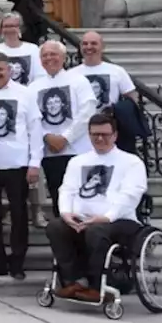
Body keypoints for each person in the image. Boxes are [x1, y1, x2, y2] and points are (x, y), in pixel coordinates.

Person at [45, 112, 148, 302]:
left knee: (96, 231)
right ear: (89, 135)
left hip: (119, 220)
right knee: (55, 227)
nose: (99, 138)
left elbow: (130, 195)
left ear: (115, 135)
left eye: (105, 134)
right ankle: (74, 281)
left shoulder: (131, 162)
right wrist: (66, 214)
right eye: (95, 134)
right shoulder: (77, 162)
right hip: (82, 218)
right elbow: (67, 190)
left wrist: (106, 217)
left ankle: (96, 285)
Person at [0, 54, 43, 280]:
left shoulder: (25, 94)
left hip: (18, 164)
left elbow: (35, 130)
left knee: (19, 214)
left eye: (0, 70)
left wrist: (34, 163)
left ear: (9, 70)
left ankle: (17, 261)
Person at [29, 40, 98, 215]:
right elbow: (31, 118)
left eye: (53, 54)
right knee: (59, 200)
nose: (49, 58)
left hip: (78, 150)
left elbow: (87, 112)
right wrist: (46, 136)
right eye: (45, 55)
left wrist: (66, 137)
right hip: (50, 153)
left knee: (82, 200)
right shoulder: (34, 87)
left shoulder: (78, 80)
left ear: (63, 57)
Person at [74, 31, 137, 110]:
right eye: (85, 44)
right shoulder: (71, 74)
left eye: (94, 43)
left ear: (102, 47)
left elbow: (132, 100)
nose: (89, 47)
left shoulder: (117, 71)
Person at [0, 12, 42, 87]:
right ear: (1, 29)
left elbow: (39, 75)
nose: (9, 29)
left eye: (13, 26)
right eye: (6, 26)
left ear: (20, 28)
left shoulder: (33, 49)